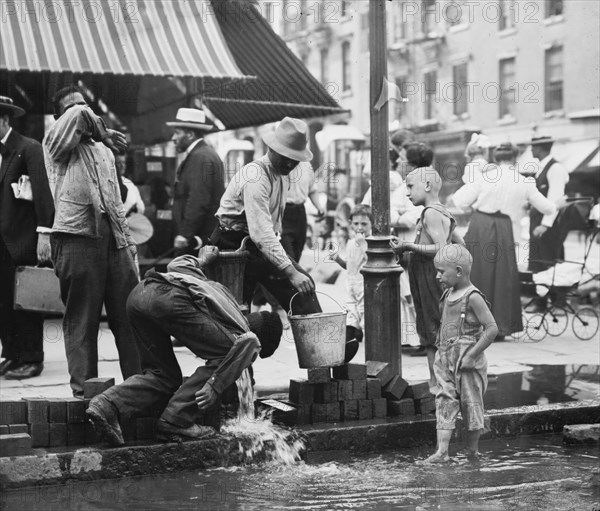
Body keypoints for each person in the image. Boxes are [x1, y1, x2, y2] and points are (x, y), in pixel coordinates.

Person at [86, 246, 283, 445]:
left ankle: (106, 404)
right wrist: (214, 385)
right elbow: (246, 344)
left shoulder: (218, 292)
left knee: (162, 375)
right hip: (170, 301)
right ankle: (176, 420)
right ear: (260, 339)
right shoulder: (242, 332)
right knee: (230, 355)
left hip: (140, 294)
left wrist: (202, 259)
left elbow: (176, 264)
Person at [43, 85, 141, 397]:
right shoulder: (55, 144)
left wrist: (128, 244)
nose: (83, 110)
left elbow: (114, 202)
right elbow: (78, 116)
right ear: (59, 118)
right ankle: (86, 397)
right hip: (76, 240)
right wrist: (104, 130)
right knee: (82, 322)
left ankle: (140, 389)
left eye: (86, 103)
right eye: (72, 107)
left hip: (113, 242)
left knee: (131, 316)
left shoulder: (103, 151)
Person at [214, 117, 322, 322]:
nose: (290, 163)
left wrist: (291, 270)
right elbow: (261, 233)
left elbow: (270, 231)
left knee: (304, 292)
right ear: (271, 148)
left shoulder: (281, 173)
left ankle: (323, 349)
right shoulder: (255, 176)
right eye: (286, 157)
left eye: (295, 158)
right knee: (234, 315)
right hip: (233, 245)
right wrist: (291, 272)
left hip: (257, 245)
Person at [452, 143, 556, 339]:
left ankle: (473, 324)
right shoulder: (524, 181)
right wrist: (550, 215)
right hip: (505, 228)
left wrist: (472, 204)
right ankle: (500, 327)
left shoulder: (485, 177)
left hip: (481, 224)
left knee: (477, 272)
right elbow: (549, 208)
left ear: (496, 158)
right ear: (516, 158)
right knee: (503, 276)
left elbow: (459, 201)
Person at [423, 244, 497, 463]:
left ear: (458, 271)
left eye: (441, 272)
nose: (437, 276)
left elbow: (492, 328)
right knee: (444, 400)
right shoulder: (447, 294)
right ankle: (442, 451)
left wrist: (472, 355)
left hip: (468, 364)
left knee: (471, 405)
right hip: (446, 359)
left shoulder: (473, 297)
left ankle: (472, 451)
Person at [0, 96, 54, 379]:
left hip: (20, 240)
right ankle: (11, 353)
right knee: (3, 302)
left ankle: (32, 357)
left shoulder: (29, 148)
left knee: (27, 300)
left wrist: (44, 234)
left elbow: (43, 196)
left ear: (5, 120)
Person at [390, 167, 458, 390]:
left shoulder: (430, 213)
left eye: (410, 186)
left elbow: (441, 247)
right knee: (435, 326)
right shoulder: (443, 212)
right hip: (428, 276)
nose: (407, 192)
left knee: (431, 328)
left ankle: (437, 381)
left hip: (430, 277)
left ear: (427, 186)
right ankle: (441, 378)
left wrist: (409, 245)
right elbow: (461, 245)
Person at [168, 108, 224, 256]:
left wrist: (185, 234)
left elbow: (198, 199)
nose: (173, 138)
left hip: (195, 241)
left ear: (190, 134)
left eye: (177, 132)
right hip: (199, 238)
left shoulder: (200, 157)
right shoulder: (204, 154)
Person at [331, 204, 373, 363]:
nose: (359, 227)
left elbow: (372, 260)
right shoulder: (350, 242)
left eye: (364, 224)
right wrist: (337, 259)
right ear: (350, 223)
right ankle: (343, 355)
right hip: (351, 284)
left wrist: (363, 244)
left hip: (364, 285)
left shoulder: (368, 242)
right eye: (356, 224)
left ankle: (371, 355)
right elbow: (349, 265)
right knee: (350, 314)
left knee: (364, 316)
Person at [528, 136, 570, 274]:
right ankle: (541, 295)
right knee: (537, 262)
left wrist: (545, 225)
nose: (531, 149)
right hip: (537, 221)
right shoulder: (541, 168)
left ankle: (557, 295)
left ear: (540, 149)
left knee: (551, 263)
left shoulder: (555, 168)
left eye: (533, 147)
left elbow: (555, 199)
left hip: (549, 225)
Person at [282, 161, 324, 263]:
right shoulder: (280, 162)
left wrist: (319, 207)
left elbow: (312, 190)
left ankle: (290, 277)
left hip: (300, 212)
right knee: (287, 255)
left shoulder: (306, 165)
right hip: (282, 212)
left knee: (297, 251)